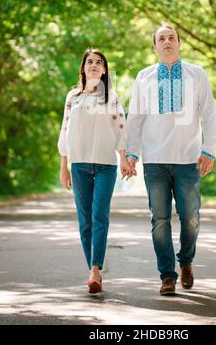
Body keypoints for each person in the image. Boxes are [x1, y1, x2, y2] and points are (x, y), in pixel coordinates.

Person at [126, 25, 216, 295]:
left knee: (191, 218)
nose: (167, 42)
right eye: (161, 39)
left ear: (179, 43)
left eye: (171, 38)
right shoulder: (144, 77)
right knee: (160, 220)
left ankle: (186, 262)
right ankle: (167, 275)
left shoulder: (196, 74)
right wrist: (132, 154)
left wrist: (209, 149)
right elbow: (135, 119)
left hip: (189, 159)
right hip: (154, 160)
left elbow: (210, 113)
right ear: (154, 47)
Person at [58, 48, 132, 294]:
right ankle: (93, 267)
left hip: (105, 166)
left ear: (103, 70)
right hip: (78, 166)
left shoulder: (111, 98)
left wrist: (123, 159)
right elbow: (65, 132)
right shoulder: (73, 98)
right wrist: (64, 167)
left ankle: (95, 270)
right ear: (83, 67)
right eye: (89, 61)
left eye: (98, 63)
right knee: (84, 222)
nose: (93, 65)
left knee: (99, 217)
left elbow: (122, 129)